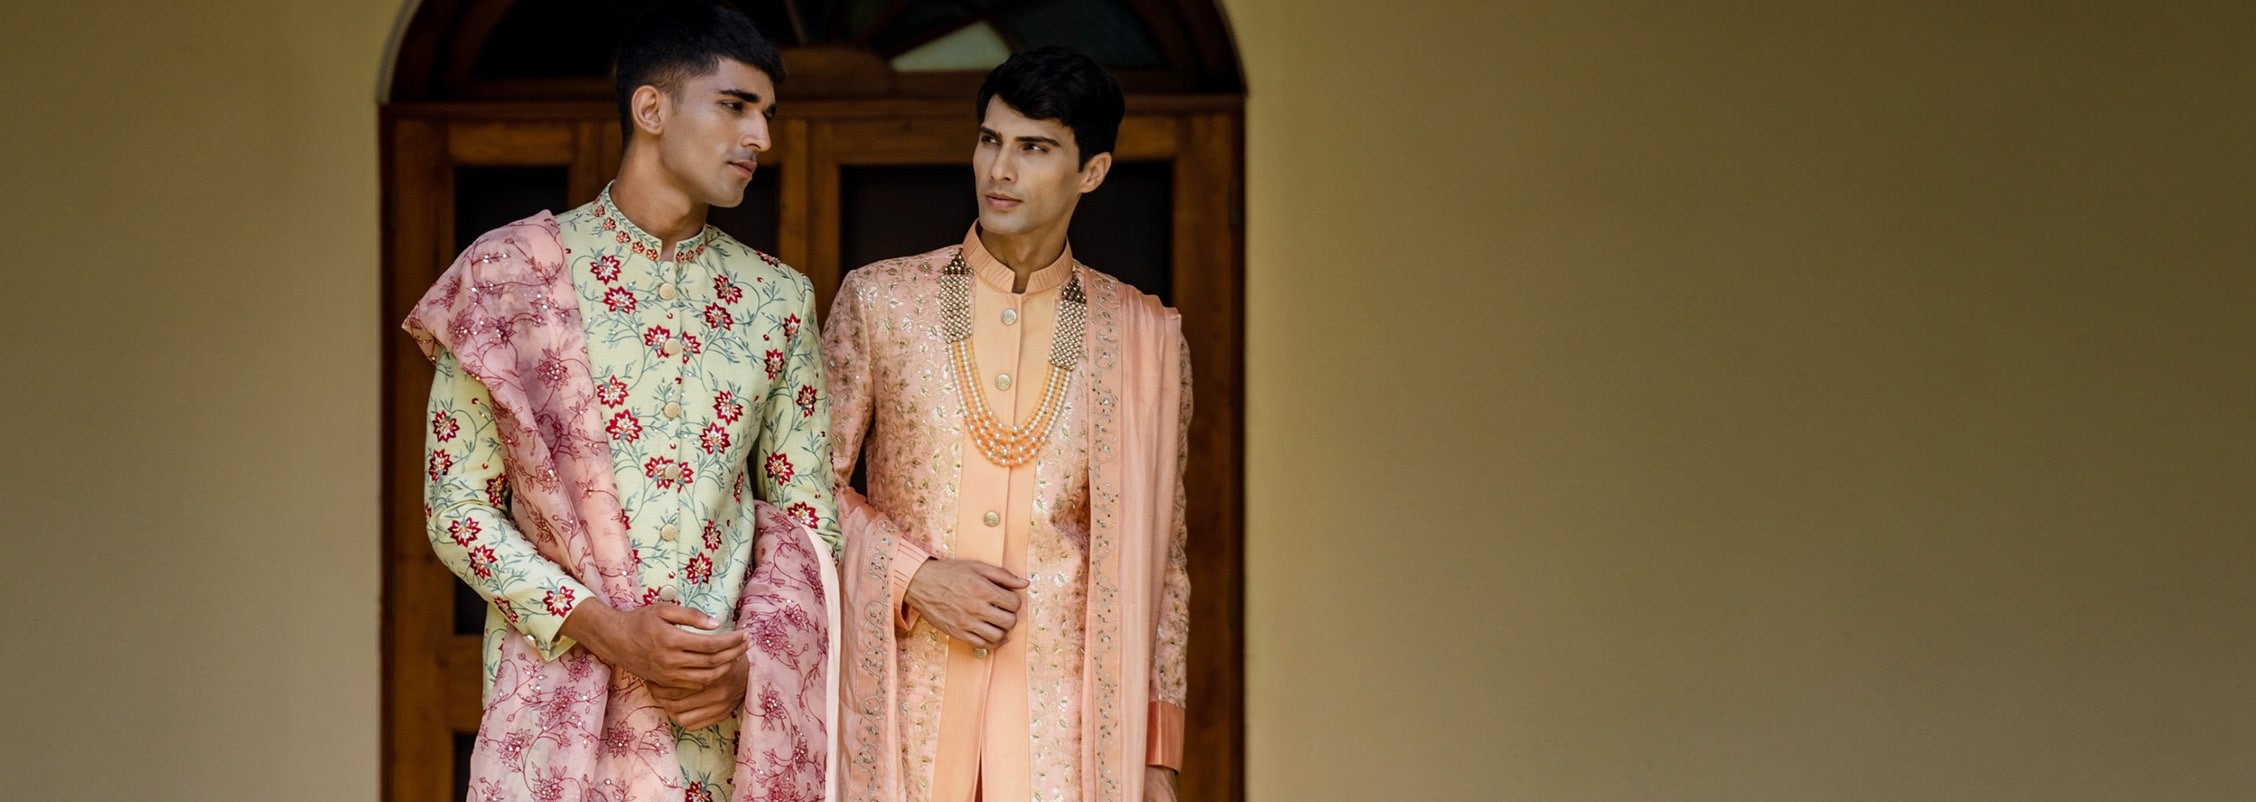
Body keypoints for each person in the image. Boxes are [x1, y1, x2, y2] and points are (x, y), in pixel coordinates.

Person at [402, 3, 839, 800]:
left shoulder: (777, 298)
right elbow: (458, 507)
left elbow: (807, 520)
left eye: (768, 115)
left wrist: (754, 663)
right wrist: (606, 628)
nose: (760, 138)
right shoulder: (507, 276)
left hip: (710, 731)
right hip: (553, 720)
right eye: (735, 106)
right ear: (651, 108)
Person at [825, 46, 1193, 802]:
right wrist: (913, 576)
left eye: (1034, 148)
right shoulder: (881, 301)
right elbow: (798, 491)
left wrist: (1156, 758)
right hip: (905, 713)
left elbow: (1165, 559)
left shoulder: (1144, 338)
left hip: (1067, 740)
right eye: (991, 140)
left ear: (1092, 171)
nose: (1000, 169)